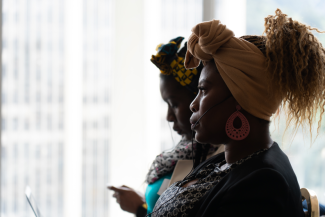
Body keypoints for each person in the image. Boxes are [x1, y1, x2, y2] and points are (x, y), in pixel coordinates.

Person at [151, 9, 325, 217]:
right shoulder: (229, 159)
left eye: (204, 90)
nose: (193, 104)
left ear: (240, 98)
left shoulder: (263, 186)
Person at [108, 37, 223, 217]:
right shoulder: (184, 153)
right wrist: (144, 205)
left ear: (199, 100)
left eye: (175, 104)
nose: (169, 117)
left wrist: (140, 210)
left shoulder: (218, 161)